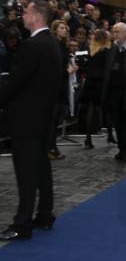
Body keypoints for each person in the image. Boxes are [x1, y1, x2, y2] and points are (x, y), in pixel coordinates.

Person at [0, 0, 62, 241]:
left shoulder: (33, 45)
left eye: (25, 12)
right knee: (41, 169)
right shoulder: (52, 44)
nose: (22, 16)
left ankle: (22, 224)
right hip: (43, 119)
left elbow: (16, 82)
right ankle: (45, 214)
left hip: (26, 121)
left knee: (26, 174)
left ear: (36, 16)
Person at [103, 22, 126, 161]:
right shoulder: (112, 50)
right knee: (118, 123)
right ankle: (122, 148)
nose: (115, 35)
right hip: (114, 93)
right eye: (113, 32)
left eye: (117, 32)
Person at [79, 29, 110, 148]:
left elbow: (79, 59)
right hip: (101, 83)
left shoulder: (89, 50)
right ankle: (110, 135)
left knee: (90, 111)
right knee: (104, 109)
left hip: (89, 82)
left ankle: (88, 139)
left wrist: (86, 70)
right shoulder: (106, 51)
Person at [49, 20, 70, 159]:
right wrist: (66, 70)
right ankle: (51, 148)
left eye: (65, 28)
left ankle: (51, 146)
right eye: (62, 28)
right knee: (52, 119)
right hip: (53, 86)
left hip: (62, 85)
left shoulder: (63, 46)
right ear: (55, 29)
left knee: (56, 119)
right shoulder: (53, 45)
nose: (65, 30)